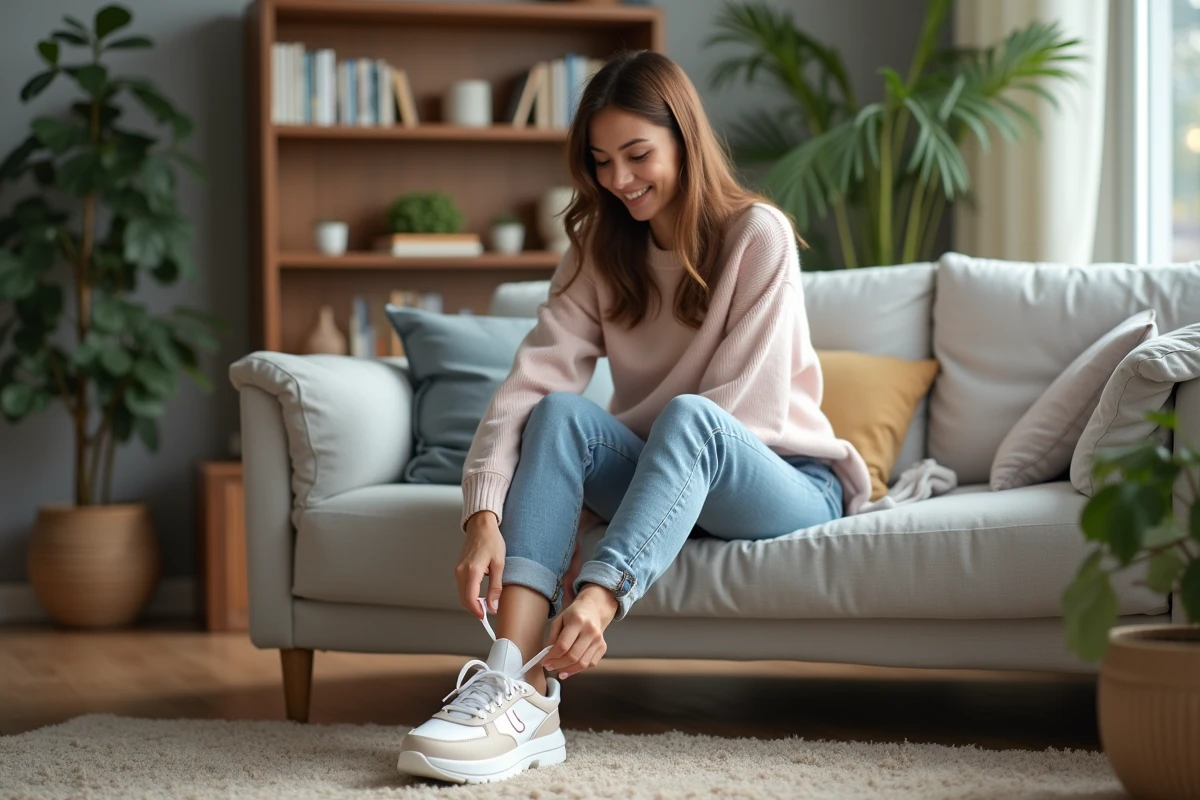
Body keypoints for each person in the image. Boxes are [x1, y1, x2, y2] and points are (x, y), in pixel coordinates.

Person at [395, 50, 871, 785]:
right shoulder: (599, 250)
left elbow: (732, 414)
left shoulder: (757, 236)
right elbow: (530, 383)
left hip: (778, 480)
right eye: (601, 161)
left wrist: (600, 583)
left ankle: (592, 612)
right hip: (668, 479)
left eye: (638, 154)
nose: (619, 180)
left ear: (684, 138)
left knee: (690, 420)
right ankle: (517, 687)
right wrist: (482, 515)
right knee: (558, 412)